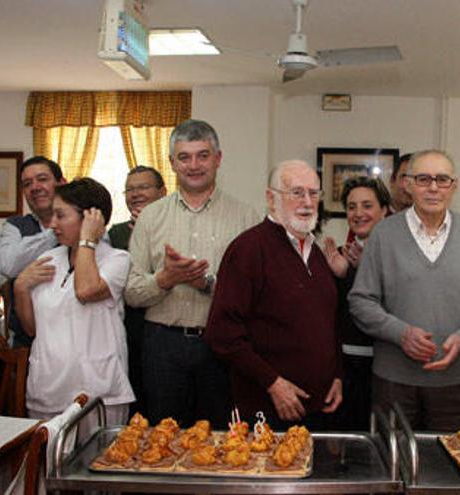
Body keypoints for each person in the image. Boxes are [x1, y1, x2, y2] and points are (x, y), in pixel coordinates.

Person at [348, 150, 460, 431]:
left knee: (451, 468)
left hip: (459, 383)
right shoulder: (383, 235)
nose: (433, 187)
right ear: (408, 184)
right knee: (394, 465)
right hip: (394, 382)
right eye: (423, 179)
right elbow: (361, 302)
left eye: (442, 179)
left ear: (454, 185)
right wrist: (401, 334)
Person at [126, 119, 259, 426]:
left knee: (222, 441)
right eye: (184, 157)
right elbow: (131, 292)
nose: (194, 165)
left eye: (203, 155)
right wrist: (164, 279)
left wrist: (209, 284)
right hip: (163, 346)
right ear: (172, 163)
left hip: (224, 345)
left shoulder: (246, 216)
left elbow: (256, 294)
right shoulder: (150, 216)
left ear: (218, 159)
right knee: (165, 438)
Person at [206, 160, 342, 429]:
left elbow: (329, 321)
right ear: (271, 198)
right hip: (267, 408)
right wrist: (273, 383)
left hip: (319, 407)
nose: (307, 201)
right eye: (296, 192)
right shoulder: (248, 250)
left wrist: (336, 375)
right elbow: (221, 333)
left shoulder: (315, 252)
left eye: (314, 193)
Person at [15, 178, 134, 431]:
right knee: (46, 467)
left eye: (60, 215)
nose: (52, 224)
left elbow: (86, 290)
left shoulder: (117, 260)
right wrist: (20, 288)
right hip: (47, 389)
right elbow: (32, 329)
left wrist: (87, 240)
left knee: (98, 466)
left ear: (91, 217)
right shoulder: (48, 259)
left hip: (98, 392)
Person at [323, 176, 391, 430]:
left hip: (384, 366)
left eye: (367, 205)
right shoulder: (338, 255)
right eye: (352, 207)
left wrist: (360, 272)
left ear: (384, 211)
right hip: (344, 365)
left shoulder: (399, 255)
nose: (358, 213)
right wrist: (337, 276)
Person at [107, 165, 166, 416]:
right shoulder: (115, 233)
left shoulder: (174, 227)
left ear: (162, 192)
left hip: (165, 331)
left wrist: (149, 229)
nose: (135, 194)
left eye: (143, 187)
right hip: (129, 331)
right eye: (130, 189)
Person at [0, 156, 65, 348]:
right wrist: (56, 231)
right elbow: (9, 266)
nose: (35, 187)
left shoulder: (84, 221)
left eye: (42, 179)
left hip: (71, 335)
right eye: (27, 183)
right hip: (26, 340)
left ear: (61, 183)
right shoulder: (14, 225)